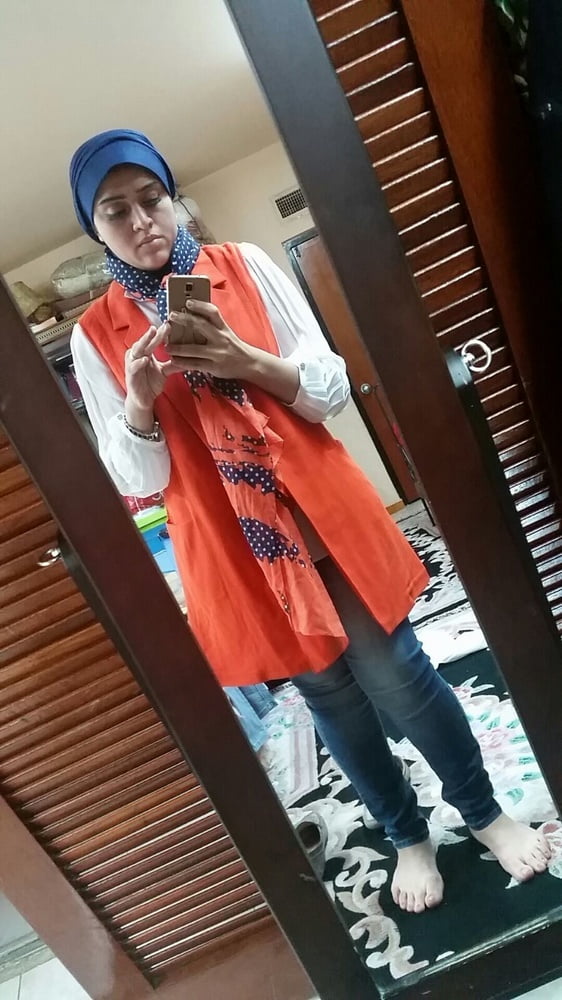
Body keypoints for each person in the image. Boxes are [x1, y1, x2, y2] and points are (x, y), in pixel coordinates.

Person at [69, 129, 551, 914]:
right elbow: (139, 481)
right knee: (328, 693)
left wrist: (245, 362)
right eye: (115, 210)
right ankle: (406, 833)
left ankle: (482, 811)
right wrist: (139, 404)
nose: (141, 220)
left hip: (317, 509)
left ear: (174, 199)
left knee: (396, 671)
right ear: (95, 229)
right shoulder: (95, 335)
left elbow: (328, 388)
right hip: (238, 543)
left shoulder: (243, 265)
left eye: (151, 198)